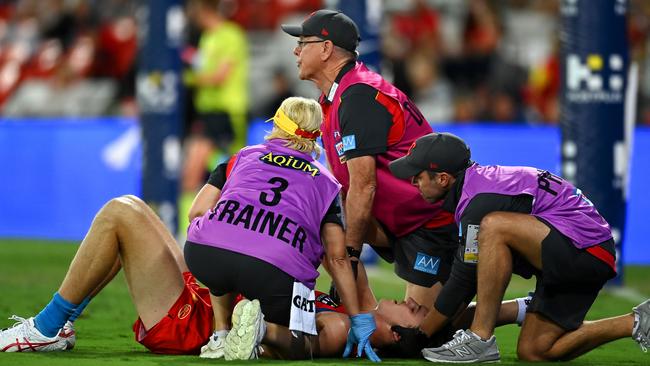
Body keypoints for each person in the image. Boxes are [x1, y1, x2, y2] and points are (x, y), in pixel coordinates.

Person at [0, 194, 462, 358]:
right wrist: (522, 310)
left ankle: (45, 329)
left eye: (413, 308)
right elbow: (342, 256)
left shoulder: (343, 330)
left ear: (395, 334)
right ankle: (57, 325)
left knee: (120, 215)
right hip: (209, 299)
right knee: (136, 209)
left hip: (195, 325)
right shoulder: (357, 308)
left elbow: (284, 342)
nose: (413, 299)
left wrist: (254, 328)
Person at [281, 9, 458, 352]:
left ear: (327, 48)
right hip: (396, 219)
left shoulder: (358, 96)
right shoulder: (339, 95)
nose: (296, 51)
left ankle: (515, 311)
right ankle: (349, 315)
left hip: (427, 222)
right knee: (319, 218)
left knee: (421, 335)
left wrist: (347, 257)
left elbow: (364, 185)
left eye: (303, 42)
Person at [388, 132, 650, 362]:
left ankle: (480, 339)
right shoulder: (477, 189)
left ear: (443, 179)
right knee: (535, 351)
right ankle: (637, 322)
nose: (413, 182)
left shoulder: (478, 202)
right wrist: (435, 326)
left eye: (418, 176)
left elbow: (464, 278)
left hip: (585, 250)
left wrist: (422, 333)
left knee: (494, 227)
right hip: (575, 252)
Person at [183, 96, 380, 361]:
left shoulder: (241, 157)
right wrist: (357, 318)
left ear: (277, 122)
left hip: (204, 255)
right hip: (275, 274)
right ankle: (264, 330)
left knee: (222, 243)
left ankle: (221, 335)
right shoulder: (326, 182)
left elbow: (195, 212)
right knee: (305, 344)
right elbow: (337, 257)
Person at [181, 0, 249, 233]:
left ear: (202, 10)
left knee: (229, 176)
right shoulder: (206, 38)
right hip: (208, 112)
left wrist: (184, 79)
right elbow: (205, 71)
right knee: (197, 172)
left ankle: (201, 230)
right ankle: (189, 231)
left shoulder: (230, 35)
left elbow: (220, 76)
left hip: (227, 112)